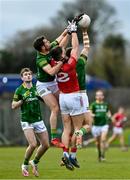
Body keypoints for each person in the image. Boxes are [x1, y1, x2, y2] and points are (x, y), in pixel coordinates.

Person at [50, 21, 85, 170]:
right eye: (63, 51)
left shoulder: (53, 63)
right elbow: (76, 47)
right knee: (78, 127)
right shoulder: (69, 64)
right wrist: (74, 31)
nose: (65, 51)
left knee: (66, 129)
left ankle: (65, 154)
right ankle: (73, 156)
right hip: (74, 97)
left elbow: (60, 48)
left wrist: (68, 31)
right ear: (62, 55)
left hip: (63, 98)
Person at [33, 29, 69, 147]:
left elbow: (60, 39)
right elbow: (52, 72)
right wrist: (62, 61)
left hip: (53, 83)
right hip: (42, 85)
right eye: (46, 42)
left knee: (65, 102)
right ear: (43, 47)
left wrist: (69, 30)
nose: (49, 42)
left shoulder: (49, 48)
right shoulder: (41, 59)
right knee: (55, 108)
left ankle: (68, 129)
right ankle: (54, 138)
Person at [12, 68, 49, 177]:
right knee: (33, 144)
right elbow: (13, 106)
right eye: (25, 74)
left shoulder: (37, 88)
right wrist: (22, 100)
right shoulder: (19, 90)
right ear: (22, 78)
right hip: (26, 120)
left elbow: (46, 100)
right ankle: (24, 165)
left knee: (46, 145)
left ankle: (35, 162)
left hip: (38, 119)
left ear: (32, 76)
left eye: (29, 74)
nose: (28, 76)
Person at [65, 27, 92, 148]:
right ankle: (80, 134)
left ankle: (67, 154)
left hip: (67, 97)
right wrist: (85, 32)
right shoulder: (79, 62)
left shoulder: (63, 66)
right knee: (87, 125)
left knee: (68, 129)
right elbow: (86, 47)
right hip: (81, 95)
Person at [90, 89, 111, 161]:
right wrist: (93, 115)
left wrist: (109, 116)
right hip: (95, 126)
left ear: (103, 96)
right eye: (98, 95)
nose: (99, 96)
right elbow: (90, 113)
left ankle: (103, 155)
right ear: (96, 96)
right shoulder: (93, 104)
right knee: (97, 143)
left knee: (103, 139)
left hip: (104, 125)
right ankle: (99, 154)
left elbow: (108, 112)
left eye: (100, 95)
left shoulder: (105, 104)